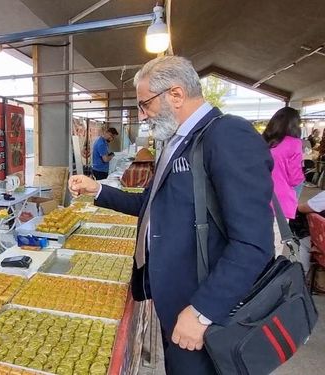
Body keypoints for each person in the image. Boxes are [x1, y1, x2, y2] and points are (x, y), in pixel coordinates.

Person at [69, 56, 274, 375]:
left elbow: (253, 243)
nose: (142, 114)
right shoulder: (176, 143)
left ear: (176, 95)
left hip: (202, 312)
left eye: (145, 103)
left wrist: (203, 311)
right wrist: (97, 190)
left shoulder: (226, 135)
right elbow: (150, 208)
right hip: (176, 306)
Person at [262, 107, 304, 221]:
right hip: (280, 203)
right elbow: (295, 179)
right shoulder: (294, 144)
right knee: (277, 237)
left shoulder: (261, 141)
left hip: (257, 199)